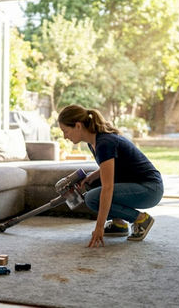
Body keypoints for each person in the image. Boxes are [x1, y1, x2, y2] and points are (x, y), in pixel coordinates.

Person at [58, 104, 164, 247]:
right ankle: (119, 224)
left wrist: (99, 226)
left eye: (65, 131)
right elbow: (115, 167)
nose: (65, 136)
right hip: (139, 185)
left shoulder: (104, 142)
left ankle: (140, 219)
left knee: (92, 198)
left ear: (78, 126)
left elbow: (108, 187)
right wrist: (93, 176)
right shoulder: (94, 142)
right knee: (91, 184)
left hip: (150, 189)